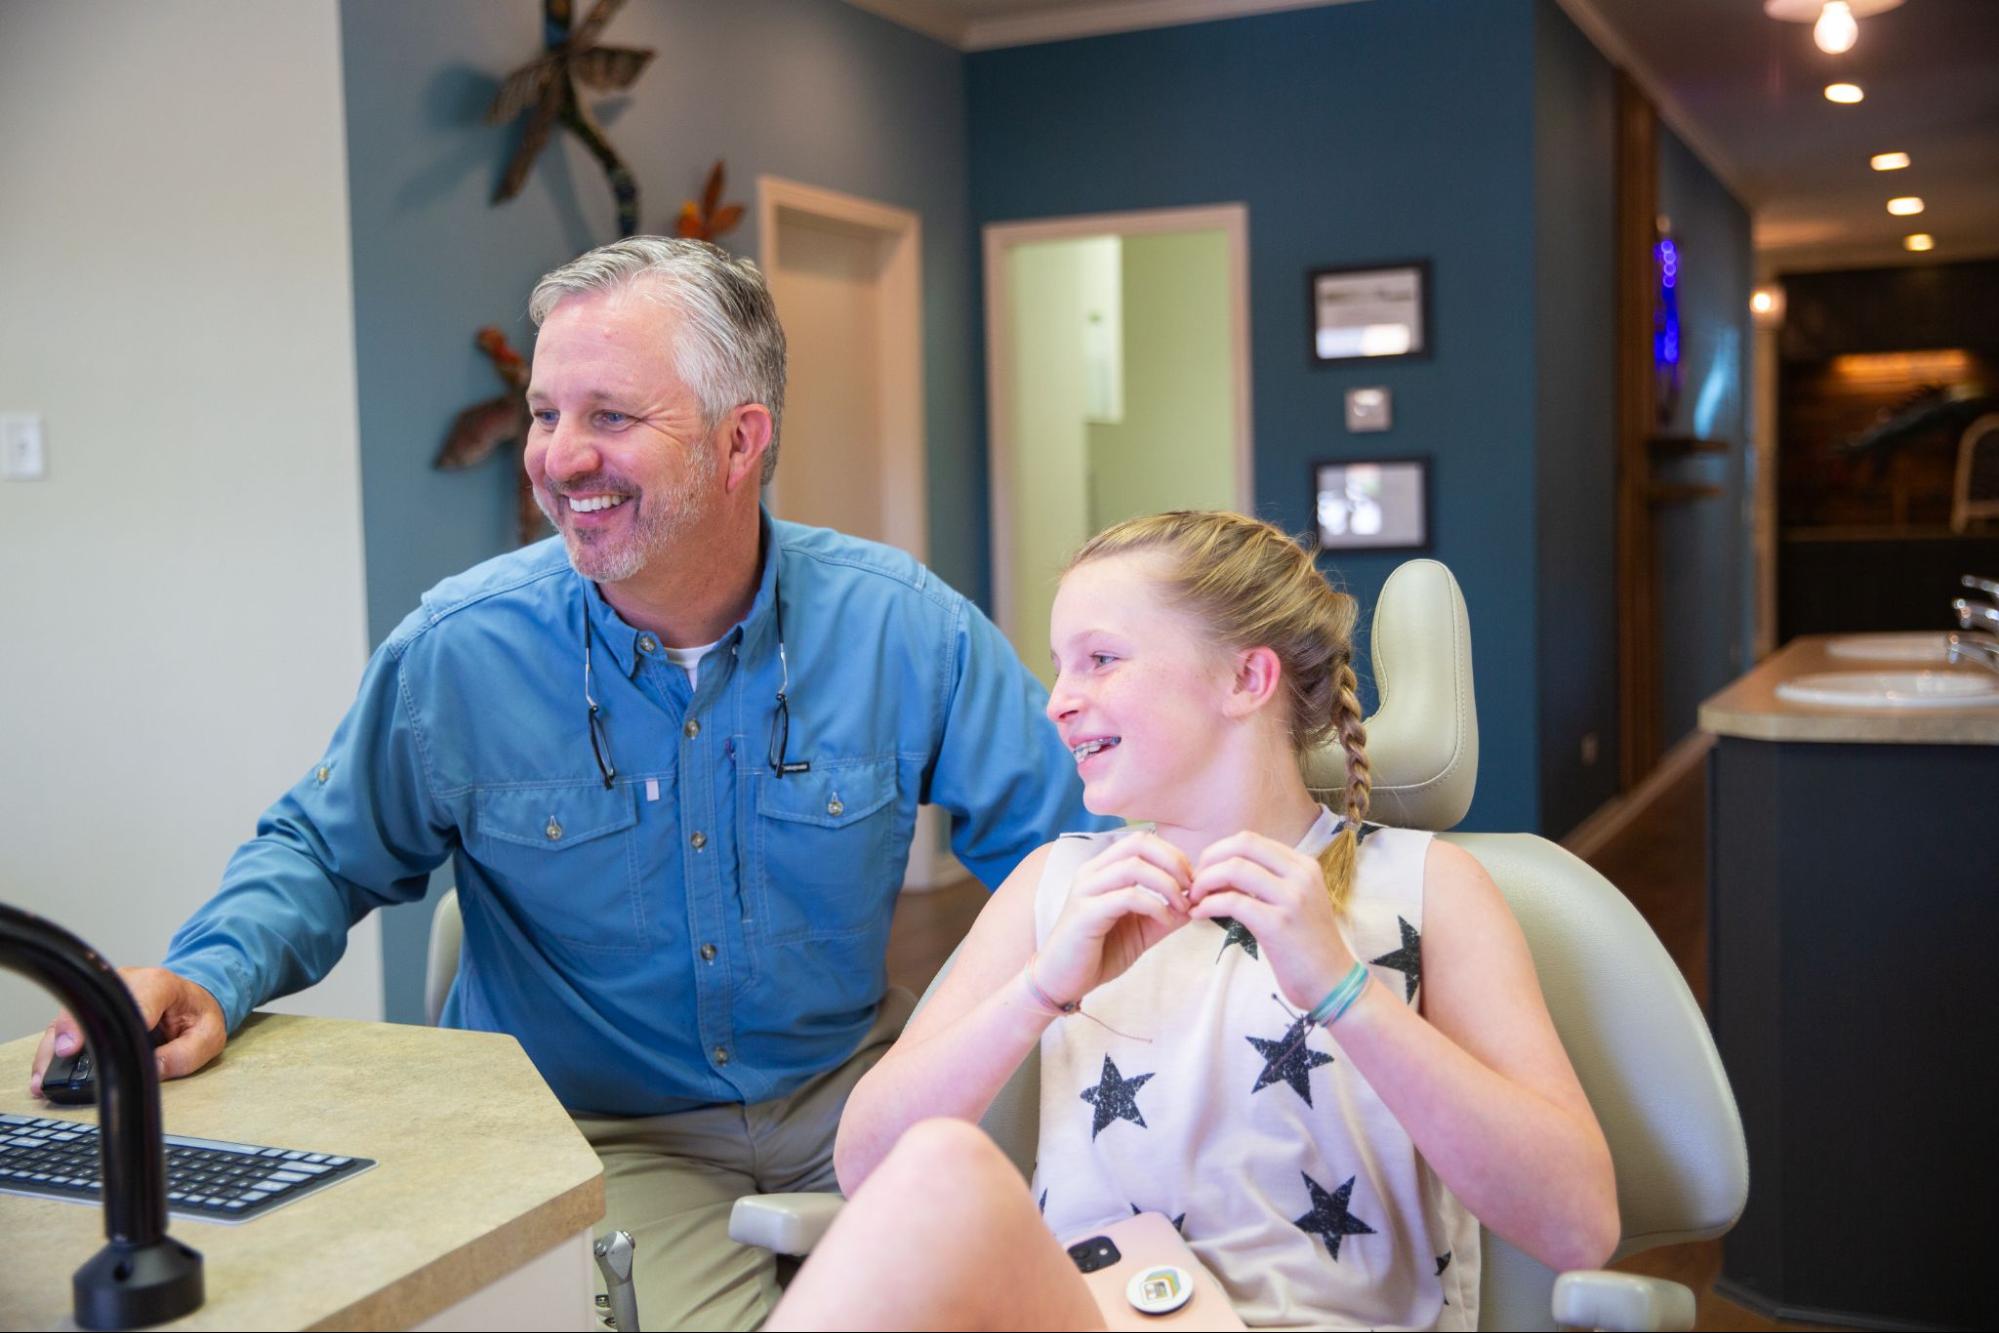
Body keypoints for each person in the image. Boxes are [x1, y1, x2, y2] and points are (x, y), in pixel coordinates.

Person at [28, 237, 1106, 1330]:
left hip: (857, 1097)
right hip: (602, 1132)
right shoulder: (461, 648)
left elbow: (1070, 851)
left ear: (741, 443)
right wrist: (204, 975)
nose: (557, 457)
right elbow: (318, 850)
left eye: (609, 417)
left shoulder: (902, 628)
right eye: (546, 415)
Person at [766, 511, 1620, 1331]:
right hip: (1090, 1313)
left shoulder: (1429, 888)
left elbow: (1576, 1224)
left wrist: (1344, 990)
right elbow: (868, 1167)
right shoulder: (1056, 887)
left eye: (1100, 658)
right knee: (940, 1167)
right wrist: (1038, 992)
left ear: (1245, 679)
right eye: (1061, 664)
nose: (1056, 701)